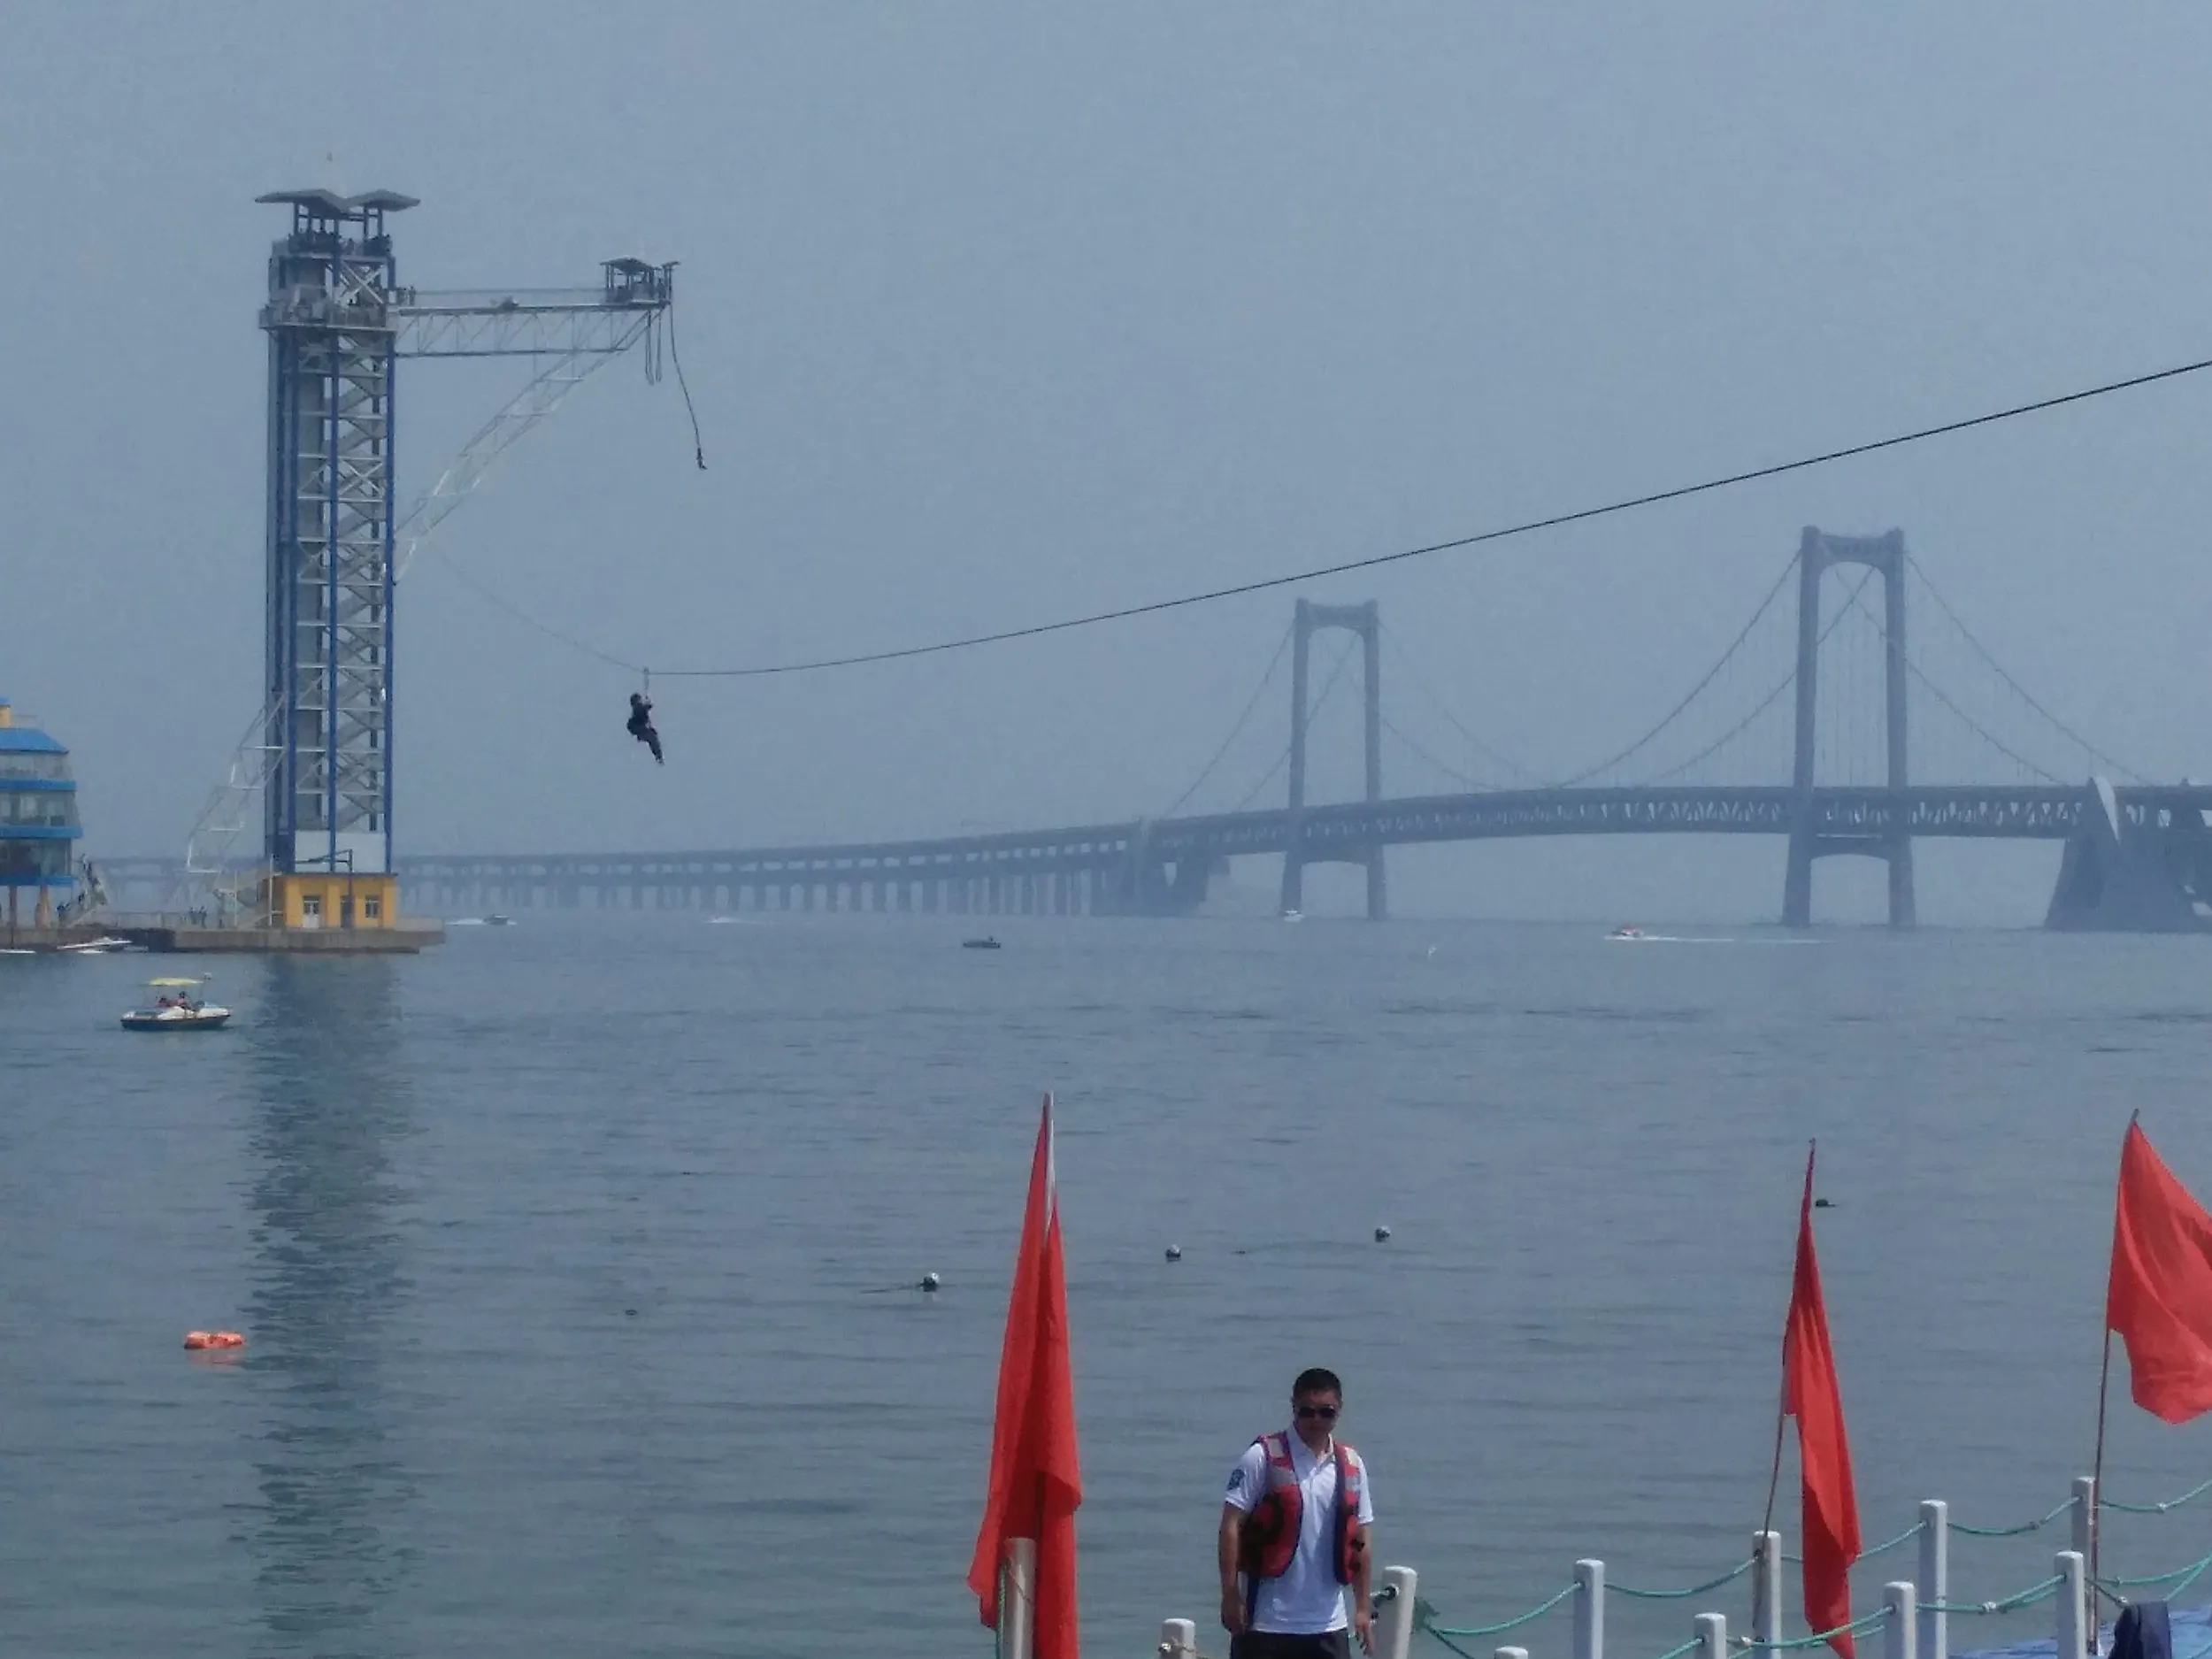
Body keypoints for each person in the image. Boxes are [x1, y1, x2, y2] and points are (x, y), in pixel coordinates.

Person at [1219, 1367, 1376, 1659]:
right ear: (1294, 1407)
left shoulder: (1351, 1464)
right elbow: (1231, 1525)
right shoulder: (1261, 1458)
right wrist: (1230, 1596)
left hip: (1330, 1625)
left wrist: (1363, 1607)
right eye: (1307, 1411)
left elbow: (1362, 1538)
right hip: (1266, 1624)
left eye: (1326, 1412)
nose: (1316, 1420)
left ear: (1339, 1410)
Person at [626, 692, 664, 764]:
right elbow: (642, 709)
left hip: (640, 729)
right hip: (639, 728)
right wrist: (648, 705)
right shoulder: (638, 708)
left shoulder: (638, 709)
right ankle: (659, 757)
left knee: (653, 737)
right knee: (652, 738)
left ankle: (659, 756)